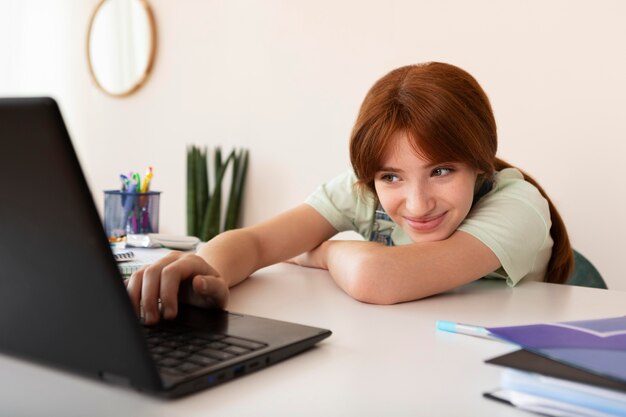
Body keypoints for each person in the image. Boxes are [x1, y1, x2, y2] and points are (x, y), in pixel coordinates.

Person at [127, 62, 573, 325]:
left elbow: (376, 280)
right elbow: (259, 242)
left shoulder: (519, 206)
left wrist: (322, 252)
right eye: (391, 177)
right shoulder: (365, 189)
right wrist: (207, 270)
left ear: (479, 161)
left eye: (440, 170)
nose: (416, 203)